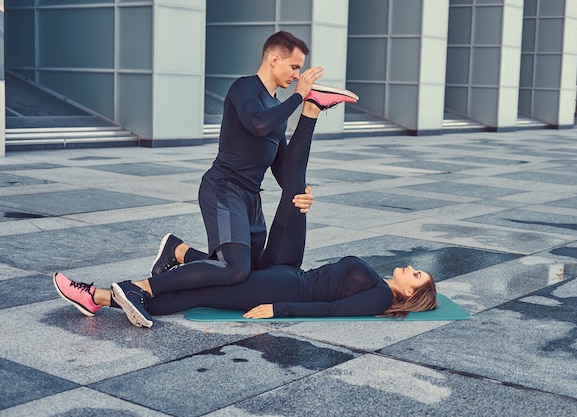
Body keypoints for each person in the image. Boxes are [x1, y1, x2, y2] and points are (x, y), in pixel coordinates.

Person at [53, 98, 437, 328]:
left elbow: (331, 308)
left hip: (283, 289)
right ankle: (311, 108)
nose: (412, 269)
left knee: (198, 293)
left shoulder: (379, 299)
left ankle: (100, 295)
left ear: (410, 294)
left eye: (417, 276)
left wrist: (277, 310)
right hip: (289, 269)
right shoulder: (378, 285)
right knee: (295, 190)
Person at [148, 29, 356, 293]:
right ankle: (147, 288)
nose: (296, 76)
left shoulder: (276, 104)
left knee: (251, 273)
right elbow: (257, 124)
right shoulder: (245, 87)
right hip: (223, 189)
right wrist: (299, 97)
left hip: (251, 198)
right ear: (273, 60)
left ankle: (178, 251)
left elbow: (282, 167)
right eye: (294, 67)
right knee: (235, 269)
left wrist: (301, 191)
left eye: (299, 70)